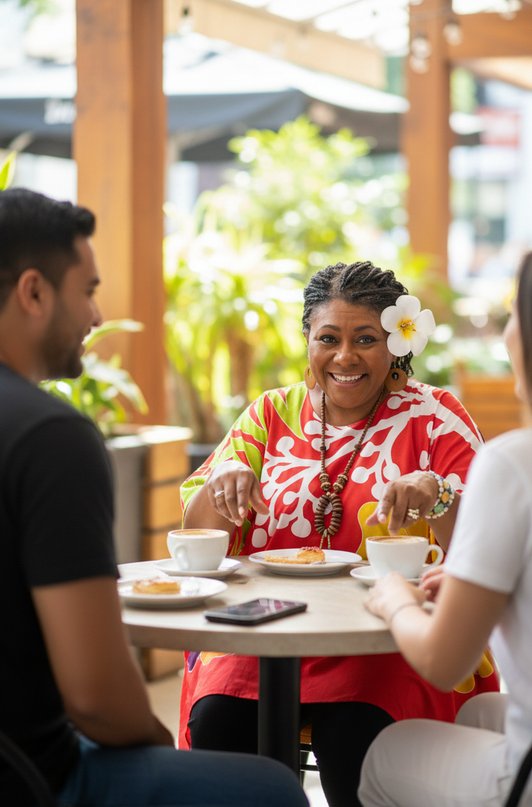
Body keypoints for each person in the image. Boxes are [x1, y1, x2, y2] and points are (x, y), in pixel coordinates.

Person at [0, 188, 309, 807]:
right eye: (87, 291)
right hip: (28, 779)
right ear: (33, 292)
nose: (94, 315)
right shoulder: (49, 437)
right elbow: (96, 696)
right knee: (269, 790)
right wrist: (161, 750)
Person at [179, 260, 499, 807]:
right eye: (328, 338)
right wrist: (221, 485)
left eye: (366, 339)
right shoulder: (270, 414)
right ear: (308, 340)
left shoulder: (435, 417)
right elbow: (198, 538)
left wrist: (439, 492)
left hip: (390, 639)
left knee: (355, 736)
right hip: (265, 635)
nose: (345, 357)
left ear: (397, 343)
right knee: (219, 721)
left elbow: (485, 546)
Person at [359, 237, 532, 807]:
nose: (507, 332)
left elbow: (442, 663)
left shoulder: (518, 464)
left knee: (389, 750)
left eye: (514, 314)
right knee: (480, 711)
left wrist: (394, 599)